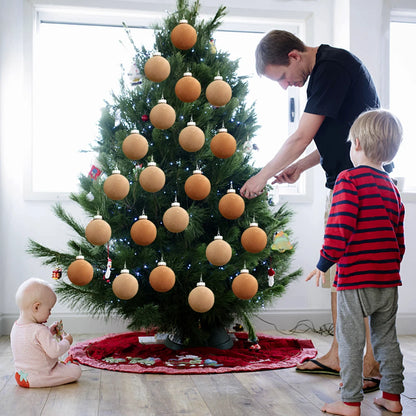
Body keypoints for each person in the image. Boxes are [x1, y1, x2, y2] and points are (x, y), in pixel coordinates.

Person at [240, 30, 384, 389]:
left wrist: (262, 177)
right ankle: (339, 356)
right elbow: (338, 137)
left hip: (360, 188)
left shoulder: (332, 68)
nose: (285, 86)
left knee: (356, 279)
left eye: (282, 78)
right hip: (344, 183)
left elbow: (300, 136)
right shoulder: (326, 72)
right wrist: (301, 168)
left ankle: (370, 365)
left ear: (294, 55)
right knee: (340, 277)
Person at [307, 109, 404, 415]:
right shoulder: (392, 187)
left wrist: (323, 263)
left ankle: (350, 402)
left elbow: (339, 228)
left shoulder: (348, 180)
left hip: (355, 280)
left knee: (350, 341)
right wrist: (387, 266)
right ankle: (392, 396)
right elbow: (399, 240)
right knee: (386, 338)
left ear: (357, 144)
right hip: (387, 280)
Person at [10, 278, 82, 388]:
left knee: (62, 367)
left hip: (22, 376)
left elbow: (32, 342)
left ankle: (62, 367)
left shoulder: (16, 327)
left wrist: (49, 332)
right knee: (76, 371)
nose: (50, 313)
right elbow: (55, 351)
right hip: (42, 376)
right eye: (49, 309)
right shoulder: (39, 330)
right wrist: (67, 341)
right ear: (36, 307)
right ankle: (66, 366)